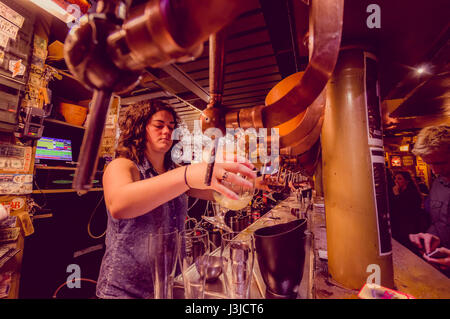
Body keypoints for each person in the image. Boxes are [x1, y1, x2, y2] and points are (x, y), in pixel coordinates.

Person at [96, 100, 256, 298]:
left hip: (168, 284)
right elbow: (119, 204)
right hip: (125, 290)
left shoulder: (174, 171)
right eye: (159, 125)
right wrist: (187, 175)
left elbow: (216, 192)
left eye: (171, 127)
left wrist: (249, 182)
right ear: (139, 128)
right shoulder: (123, 166)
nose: (167, 131)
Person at [408, 125, 450, 274]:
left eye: (440, 163)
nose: (435, 170)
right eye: (429, 164)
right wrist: (429, 237)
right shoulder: (438, 184)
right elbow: (439, 223)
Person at [389, 171, 424, 248]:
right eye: (395, 179)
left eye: (399, 179)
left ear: (407, 181)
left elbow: (403, 209)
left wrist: (397, 194)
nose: (396, 181)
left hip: (410, 226)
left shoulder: (411, 193)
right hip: (401, 225)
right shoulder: (400, 192)